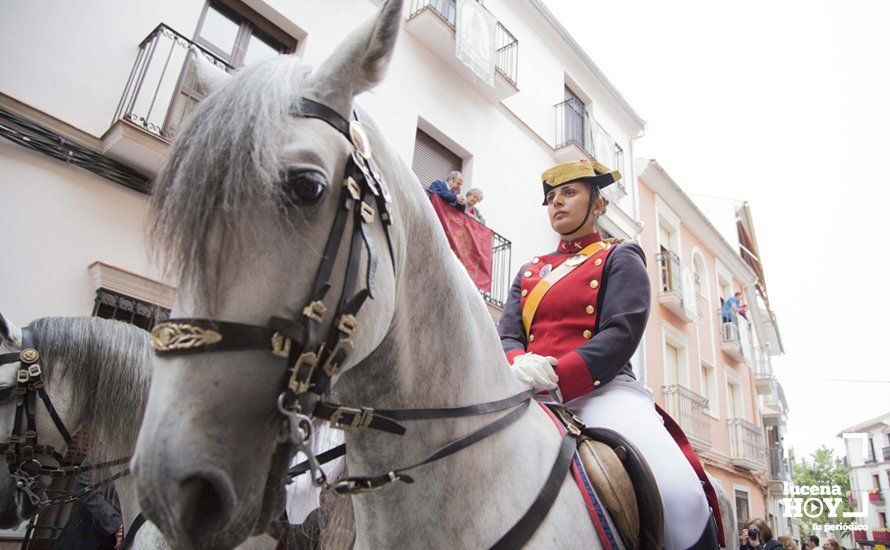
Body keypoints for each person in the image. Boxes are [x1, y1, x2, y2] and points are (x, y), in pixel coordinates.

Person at [497, 159, 720, 549]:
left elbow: (622, 332)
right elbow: (509, 336)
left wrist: (558, 376)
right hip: (529, 391)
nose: (557, 203)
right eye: (551, 197)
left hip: (601, 391)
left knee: (679, 495)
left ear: (597, 205)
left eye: (569, 193)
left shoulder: (620, 256)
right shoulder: (530, 271)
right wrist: (520, 367)